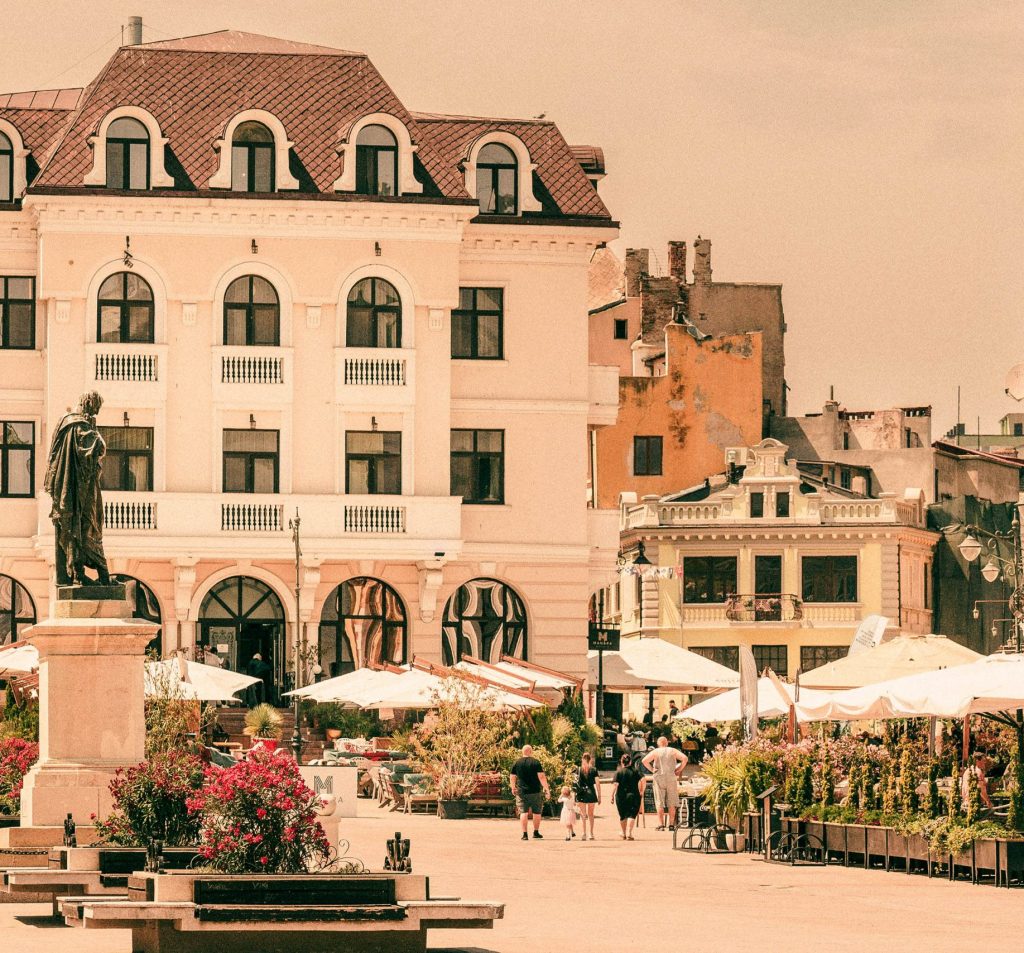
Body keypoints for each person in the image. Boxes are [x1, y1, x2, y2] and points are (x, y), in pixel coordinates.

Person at [44, 391, 112, 586]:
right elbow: (96, 449)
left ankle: (78, 573)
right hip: (81, 489)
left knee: (77, 528)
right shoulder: (80, 426)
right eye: (96, 409)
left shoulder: (64, 423)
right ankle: (97, 575)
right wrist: (95, 431)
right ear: (90, 405)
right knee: (88, 526)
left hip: (68, 490)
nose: (95, 413)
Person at [642, 735, 688, 830]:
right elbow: (685, 758)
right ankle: (671, 825)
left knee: (659, 801)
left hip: (659, 777)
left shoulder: (656, 751)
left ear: (658, 743)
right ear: (667, 743)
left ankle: (661, 825)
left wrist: (652, 769)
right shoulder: (672, 750)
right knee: (672, 802)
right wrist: (679, 769)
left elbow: (644, 760)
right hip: (671, 777)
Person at [510, 744, 550, 841]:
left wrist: (513, 787)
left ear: (522, 752)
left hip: (521, 792)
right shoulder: (536, 762)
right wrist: (546, 789)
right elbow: (541, 776)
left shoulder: (517, 763)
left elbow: (512, 777)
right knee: (537, 812)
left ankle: (525, 834)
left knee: (523, 812)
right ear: (531, 752)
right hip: (535, 791)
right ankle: (536, 832)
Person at [611, 753, 645, 840]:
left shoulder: (618, 772)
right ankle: (629, 833)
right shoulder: (636, 771)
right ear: (630, 762)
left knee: (622, 815)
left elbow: (615, 785)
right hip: (634, 795)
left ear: (621, 762)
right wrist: (642, 790)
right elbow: (643, 779)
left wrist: (612, 796)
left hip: (621, 796)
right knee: (632, 814)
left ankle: (623, 833)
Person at [575, 752, 601, 840]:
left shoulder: (578, 769)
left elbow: (575, 783)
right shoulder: (594, 770)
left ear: (582, 759)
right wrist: (599, 796)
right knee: (591, 814)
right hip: (591, 793)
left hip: (581, 793)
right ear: (590, 760)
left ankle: (583, 833)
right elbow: (598, 783)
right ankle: (591, 834)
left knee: (583, 814)